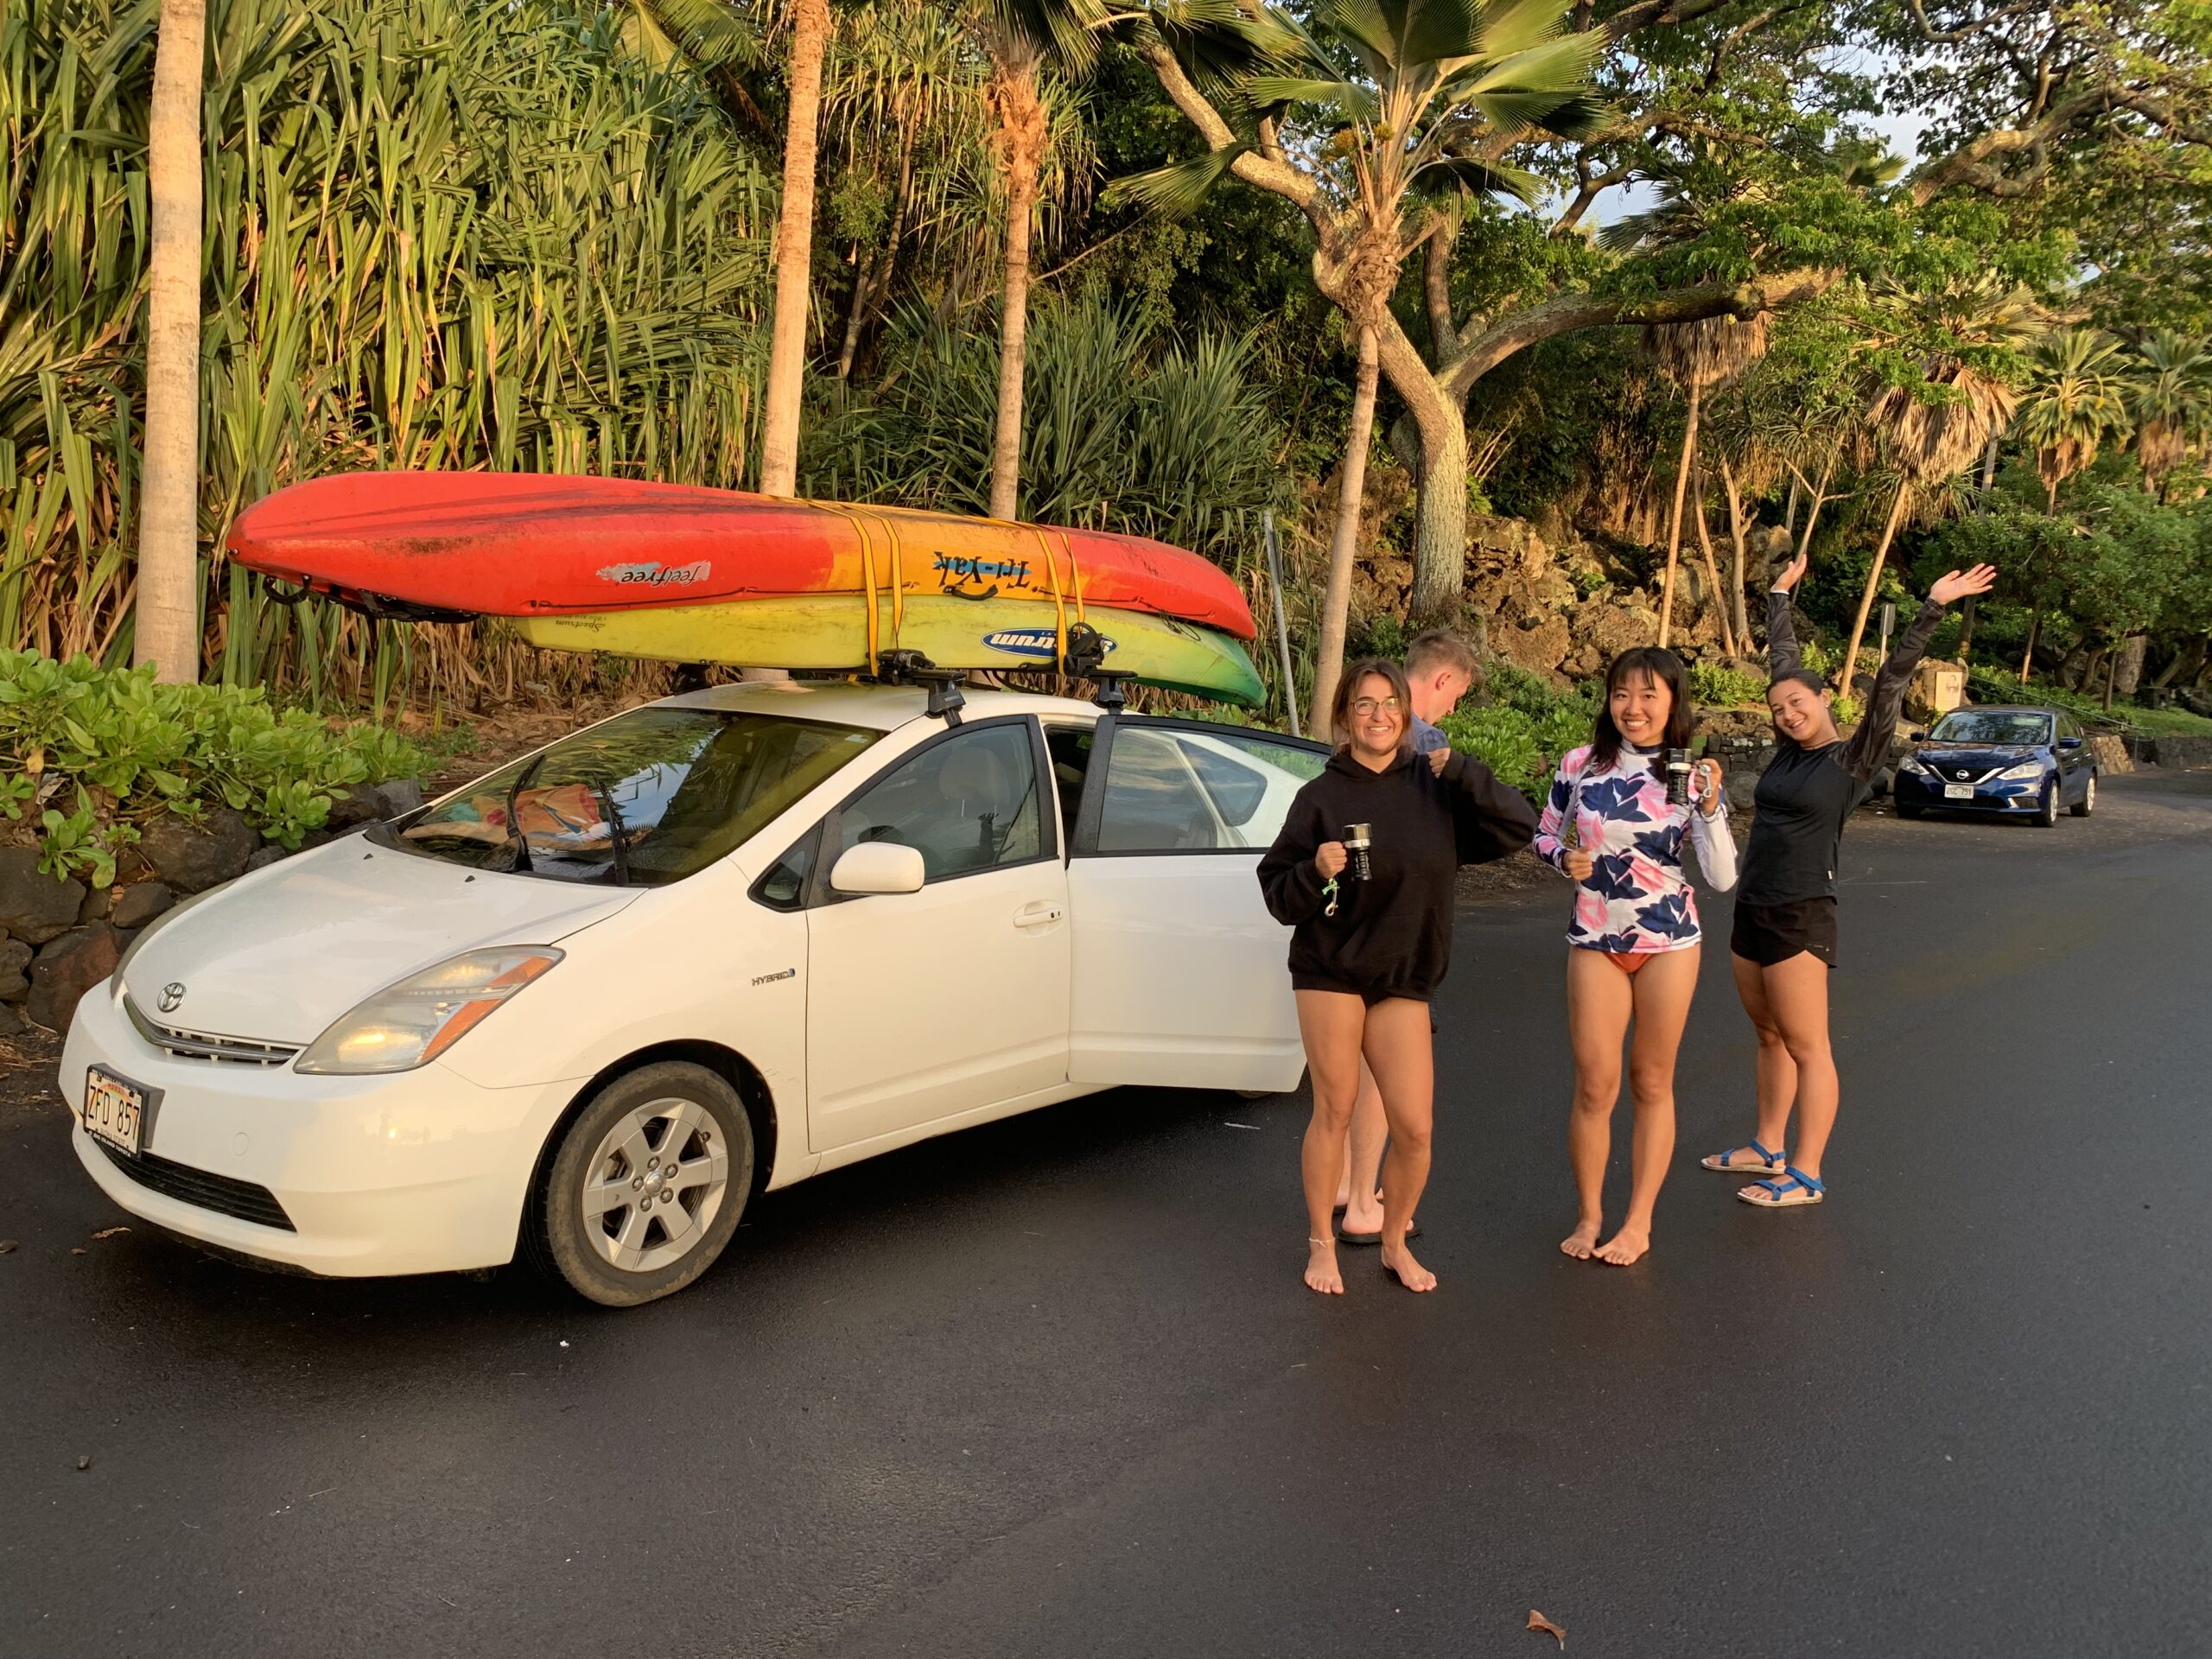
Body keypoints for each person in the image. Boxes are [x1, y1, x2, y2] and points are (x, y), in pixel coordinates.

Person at [1702, 555, 1997, 1207]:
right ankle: (1768, 1144)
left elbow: (1891, 682)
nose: (1786, 712)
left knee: (1808, 1046)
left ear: (1825, 700)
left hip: (1804, 912)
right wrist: (1778, 596)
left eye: (1798, 703)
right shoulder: (1787, 751)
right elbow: (1784, 660)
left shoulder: (1852, 758)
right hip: (1753, 906)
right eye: (1778, 707)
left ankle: (1805, 1171)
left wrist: (1933, 607)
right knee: (1767, 1035)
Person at [1257, 659, 1536, 1295]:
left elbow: (1518, 827)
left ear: (1406, 716)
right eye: (1363, 704)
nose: (1377, 716)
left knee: (1415, 1128)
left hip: (1404, 976)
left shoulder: (1434, 787)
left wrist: (1463, 770)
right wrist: (1314, 871)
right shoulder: (1320, 798)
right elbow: (1277, 896)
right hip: (1330, 970)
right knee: (1335, 1106)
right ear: (1344, 716)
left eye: (1388, 704)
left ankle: (1392, 1240)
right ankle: (1321, 1245)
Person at [1534, 647, 1737, 1267]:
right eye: (1622, 693)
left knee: (1652, 1080)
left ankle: (1639, 1220)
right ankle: (1591, 1213)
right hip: (1595, 936)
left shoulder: (1691, 775)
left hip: (1668, 938)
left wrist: (1708, 805)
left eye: (1649, 695)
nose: (1634, 707)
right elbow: (1545, 833)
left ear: (1673, 700)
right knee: (1596, 1085)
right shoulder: (1581, 766)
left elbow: (1723, 876)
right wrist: (1560, 858)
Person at [1336, 630, 1480, 1244]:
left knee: (1348, 1065)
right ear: (1443, 681)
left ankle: (1346, 1182)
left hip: (1344, 924)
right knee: (1381, 1070)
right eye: (1456, 697)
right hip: (1399, 931)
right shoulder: (1425, 744)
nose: (1450, 711)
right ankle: (1366, 1201)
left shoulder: (1354, 729)